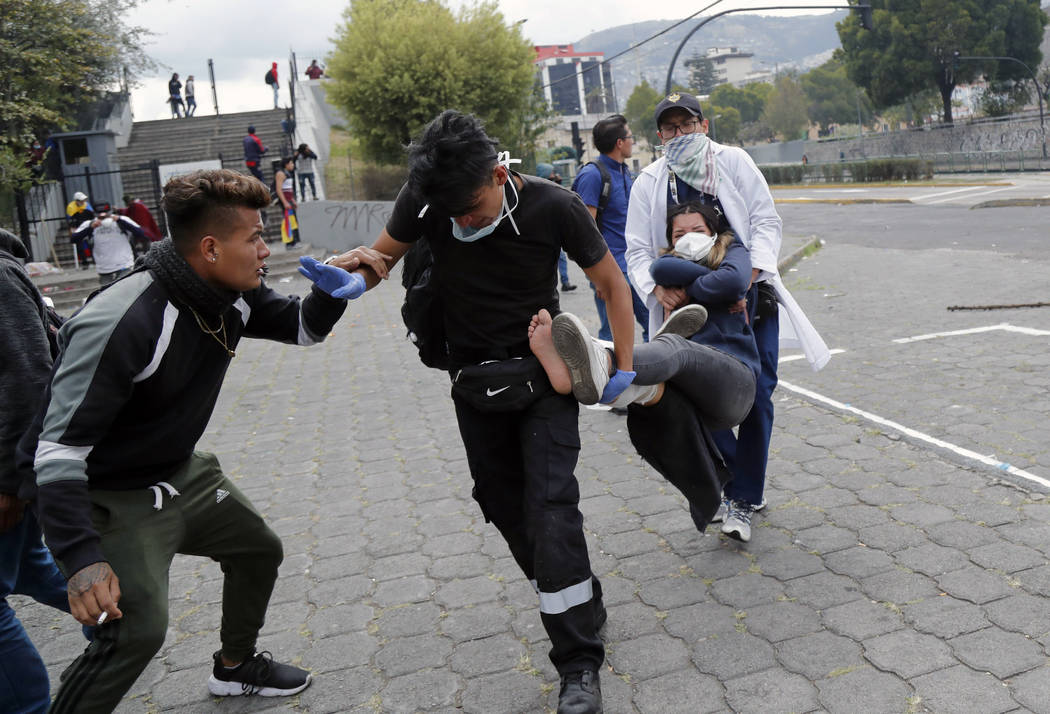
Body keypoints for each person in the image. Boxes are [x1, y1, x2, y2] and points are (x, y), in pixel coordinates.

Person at [324, 109, 640, 714]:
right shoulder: (428, 201)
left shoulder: (553, 206)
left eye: (471, 207)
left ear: (500, 173)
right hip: (471, 380)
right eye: (452, 214)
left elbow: (611, 284)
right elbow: (383, 259)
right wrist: (350, 278)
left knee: (550, 507)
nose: (462, 221)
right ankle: (577, 593)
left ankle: (577, 661)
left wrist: (622, 366)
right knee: (500, 502)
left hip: (544, 373)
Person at [18, 169, 366, 713]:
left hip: (183, 473)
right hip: (111, 495)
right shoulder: (125, 319)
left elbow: (303, 328)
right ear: (209, 247)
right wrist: (82, 558)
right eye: (253, 237)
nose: (264, 248)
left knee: (259, 549)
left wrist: (330, 294)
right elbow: (57, 451)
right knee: (139, 630)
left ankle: (235, 667)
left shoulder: (231, 293)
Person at [625, 91, 830, 543]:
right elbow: (638, 250)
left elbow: (764, 221)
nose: (679, 134)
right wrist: (656, 288)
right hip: (686, 313)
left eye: (687, 124)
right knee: (694, 399)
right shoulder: (650, 182)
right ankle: (739, 483)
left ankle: (744, 496)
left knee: (757, 395)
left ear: (703, 124)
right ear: (659, 135)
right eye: (670, 128)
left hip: (749, 299)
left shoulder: (733, 162)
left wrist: (749, 279)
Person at [0, 228, 74, 714]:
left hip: (4, 474)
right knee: (29, 567)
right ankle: (121, 627)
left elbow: (29, 380)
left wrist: (11, 482)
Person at [572, 114, 649, 342]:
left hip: (635, 264)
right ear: (619, 143)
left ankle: (657, 374)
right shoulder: (592, 176)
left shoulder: (624, 171)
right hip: (611, 269)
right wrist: (598, 278)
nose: (632, 141)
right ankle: (606, 376)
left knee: (653, 324)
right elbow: (583, 233)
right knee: (612, 333)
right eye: (630, 137)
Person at [72, 202, 146, 285]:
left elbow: (141, 233)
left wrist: (119, 220)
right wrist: (90, 228)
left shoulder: (121, 220)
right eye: (100, 217)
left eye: (106, 216)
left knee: (125, 291)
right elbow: (74, 239)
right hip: (104, 268)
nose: (103, 218)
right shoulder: (89, 224)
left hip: (125, 265)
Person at [275, 156, 300, 249]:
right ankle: (289, 243)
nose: (293, 165)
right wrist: (285, 202)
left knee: (292, 221)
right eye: (291, 163)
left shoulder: (288, 173)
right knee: (287, 221)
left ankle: (294, 241)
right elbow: (279, 189)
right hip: (285, 201)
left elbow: (289, 190)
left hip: (289, 200)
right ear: (286, 164)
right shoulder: (280, 173)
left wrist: (292, 200)